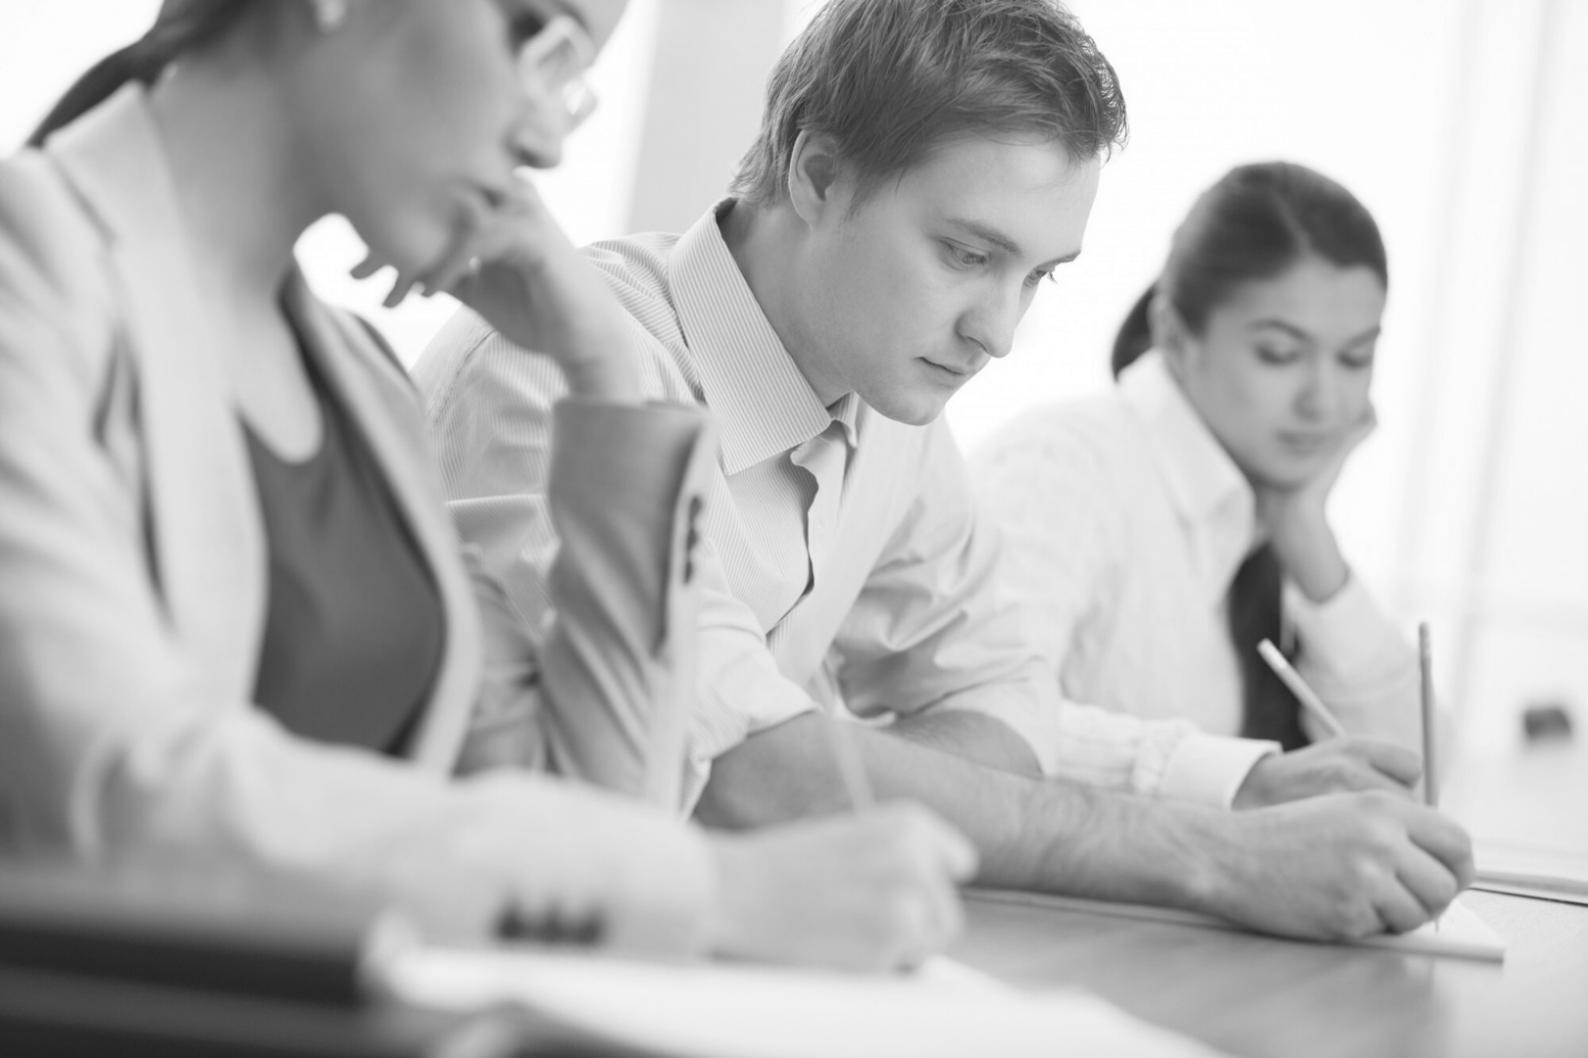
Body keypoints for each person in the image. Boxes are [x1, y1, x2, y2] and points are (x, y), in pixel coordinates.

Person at [415, 0, 1473, 940]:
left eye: (1037, 277)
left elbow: (1003, 699)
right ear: (817, 174)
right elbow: (739, 775)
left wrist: (837, 772)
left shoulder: (883, 395)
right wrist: (1210, 852)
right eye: (968, 254)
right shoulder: (554, 362)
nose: (998, 331)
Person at [0, 0, 975, 970]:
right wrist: (710, 888)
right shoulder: (31, 271)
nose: (546, 138)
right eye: (540, 41)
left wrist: (603, 370)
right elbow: (121, 797)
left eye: (575, 83)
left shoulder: (360, 385)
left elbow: (597, 820)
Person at [971, 162, 1424, 800]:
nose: (1325, 401)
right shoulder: (1063, 465)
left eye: (1355, 357)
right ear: (1178, 339)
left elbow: (1412, 772)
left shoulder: (1265, 508)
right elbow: (976, 724)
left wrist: (1306, 532)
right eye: (1280, 354)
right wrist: (1242, 782)